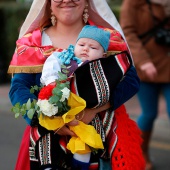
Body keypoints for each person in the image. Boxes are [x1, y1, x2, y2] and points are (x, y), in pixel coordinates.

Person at [8, 0, 145, 169]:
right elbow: (18, 88)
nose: (67, 0)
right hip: (46, 136)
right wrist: (48, 119)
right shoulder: (31, 43)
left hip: (103, 139)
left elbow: (131, 81)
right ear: (48, 3)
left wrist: (93, 110)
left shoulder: (106, 38)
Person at [120, 0, 170, 170]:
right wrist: (143, 61)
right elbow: (127, 32)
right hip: (147, 67)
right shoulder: (133, 3)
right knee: (149, 114)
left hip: (167, 62)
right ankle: (141, 154)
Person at [40, 25, 111, 86]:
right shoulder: (65, 57)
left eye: (93, 47)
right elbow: (51, 64)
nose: (85, 49)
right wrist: (52, 81)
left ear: (103, 55)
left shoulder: (102, 70)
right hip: (59, 93)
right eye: (81, 45)